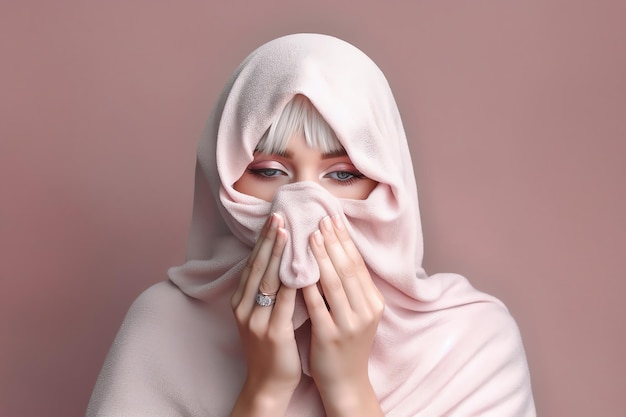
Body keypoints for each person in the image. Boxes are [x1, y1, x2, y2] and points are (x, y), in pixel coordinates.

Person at [86, 33, 536, 417]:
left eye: (342, 175)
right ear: (223, 176)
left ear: (387, 186)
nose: (302, 205)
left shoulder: (471, 342)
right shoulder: (162, 328)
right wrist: (262, 392)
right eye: (269, 171)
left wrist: (348, 390)